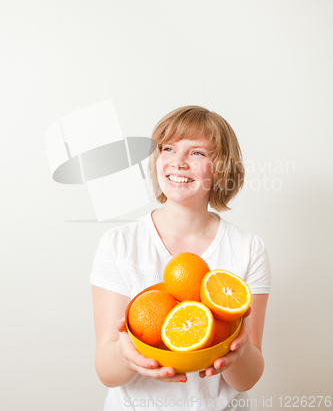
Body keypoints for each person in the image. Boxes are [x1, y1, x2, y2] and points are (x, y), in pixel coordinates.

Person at [90, 105, 271, 411]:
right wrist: (127, 355)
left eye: (197, 153)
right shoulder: (119, 243)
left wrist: (240, 351)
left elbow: (247, 380)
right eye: (168, 148)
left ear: (221, 166)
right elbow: (106, 372)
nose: (178, 162)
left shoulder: (248, 248)